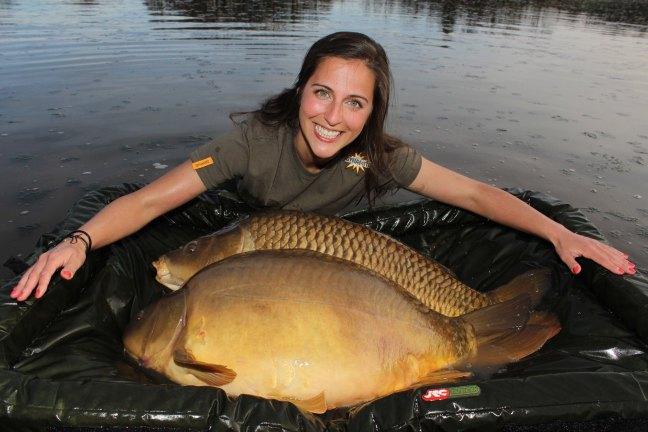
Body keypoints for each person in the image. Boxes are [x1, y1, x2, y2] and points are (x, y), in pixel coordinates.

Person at [10, 32, 636, 302]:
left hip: (340, 254)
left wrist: (560, 231)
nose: (333, 116)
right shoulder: (251, 141)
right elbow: (149, 202)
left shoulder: (380, 157)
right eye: (322, 93)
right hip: (258, 239)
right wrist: (80, 240)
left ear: (371, 113)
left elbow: (473, 192)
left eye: (355, 102)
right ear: (301, 89)